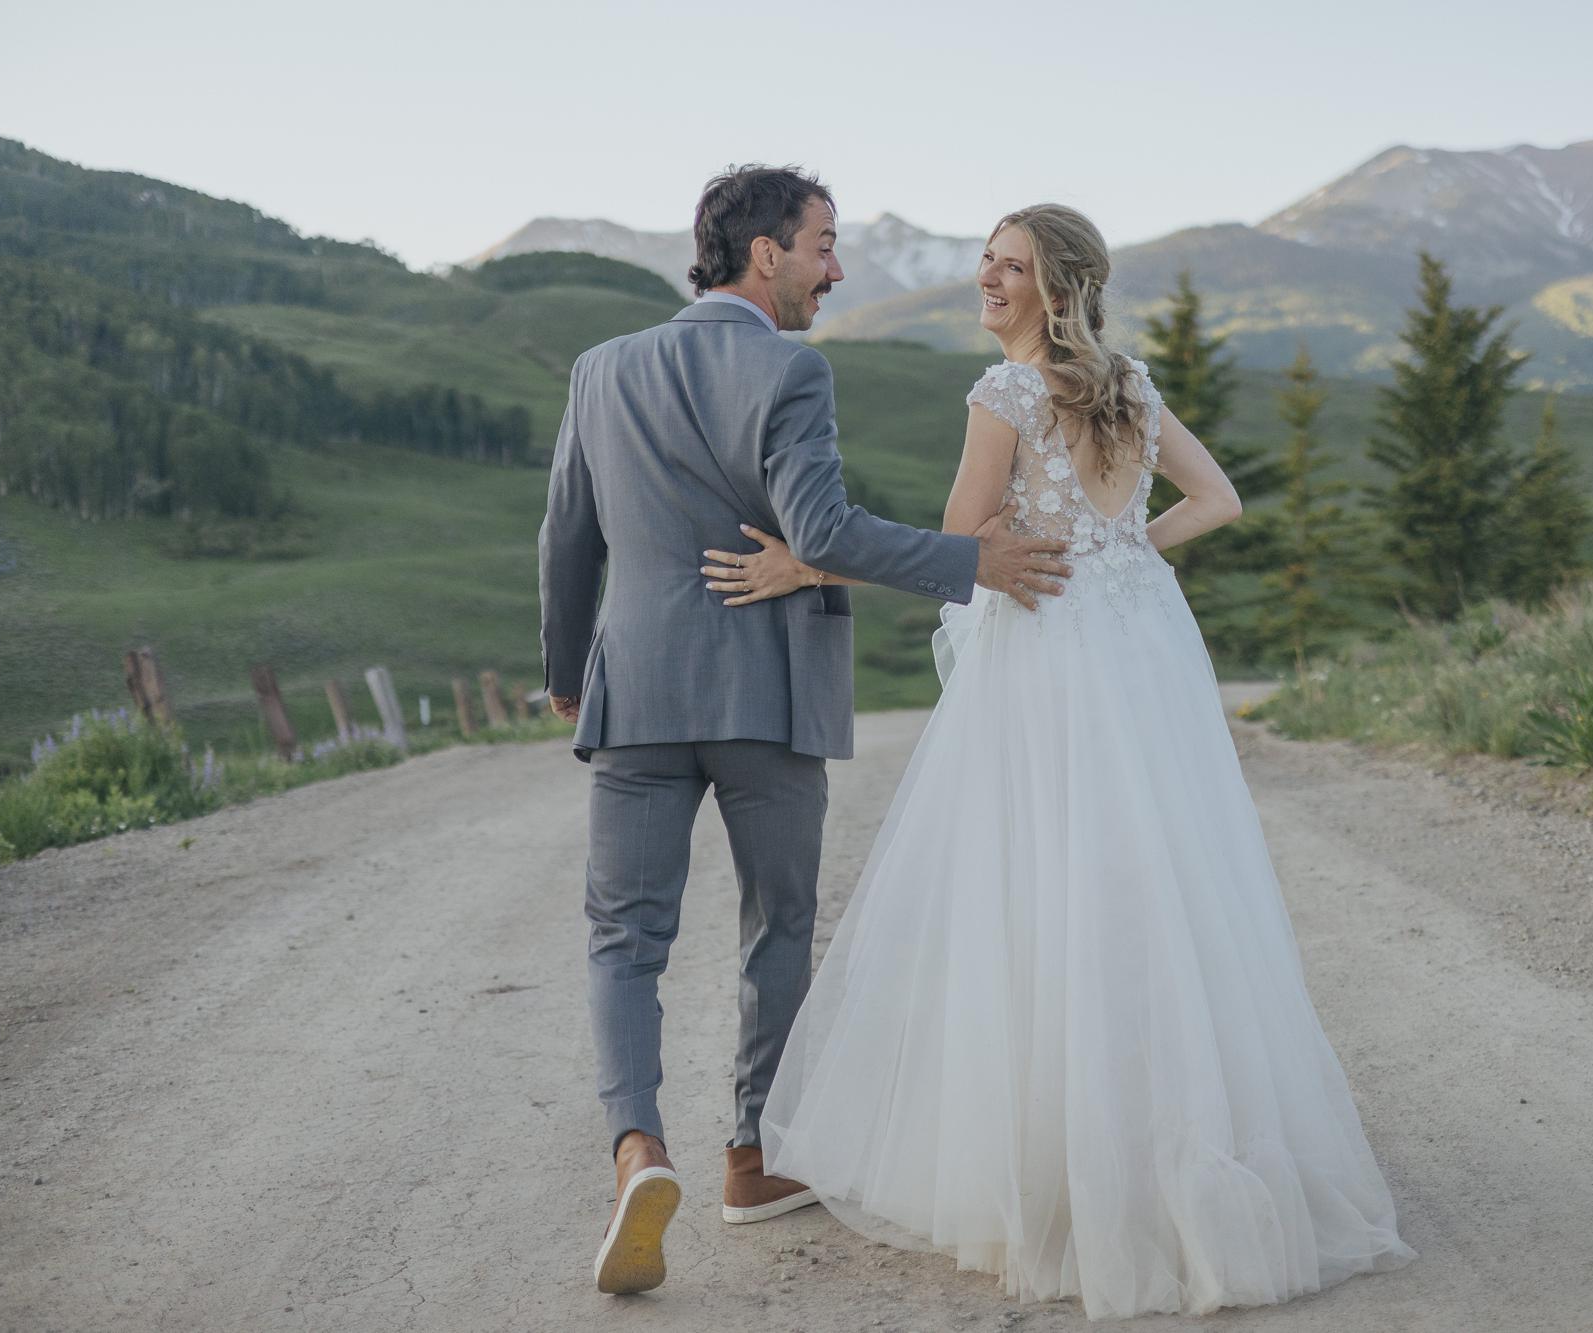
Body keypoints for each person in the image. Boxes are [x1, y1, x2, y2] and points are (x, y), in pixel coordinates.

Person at [701, 203, 1420, 1320]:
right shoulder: (1127, 382)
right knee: (1153, 888)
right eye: (985, 263)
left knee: (1037, 894)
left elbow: (956, 552)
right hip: (1137, 656)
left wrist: (810, 569)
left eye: (1008, 267)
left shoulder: (1005, 396)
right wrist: (1119, 549)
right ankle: (1175, 1149)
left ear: (1054, 288)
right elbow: (1215, 500)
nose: (985, 280)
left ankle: (1065, 1177)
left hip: (1042, 667)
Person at [536, 165, 1075, 1296]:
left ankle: (637, 1146)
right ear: (762, 254)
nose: (837, 269)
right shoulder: (789, 367)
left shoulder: (598, 369)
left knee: (623, 936)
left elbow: (565, 539)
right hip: (766, 693)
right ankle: (751, 1157)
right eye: (823, 245)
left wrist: (565, 671)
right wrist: (967, 562)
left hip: (634, 688)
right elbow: (820, 525)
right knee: (775, 922)